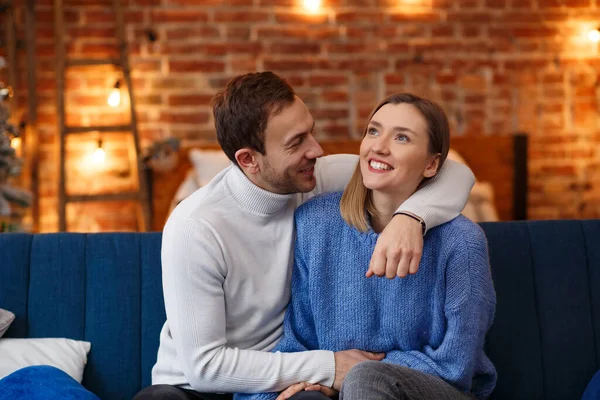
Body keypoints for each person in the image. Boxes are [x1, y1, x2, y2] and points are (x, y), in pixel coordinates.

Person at [133, 73, 475, 400]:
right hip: (195, 387)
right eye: (297, 142)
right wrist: (327, 366)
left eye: (310, 132)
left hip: (288, 373)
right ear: (249, 159)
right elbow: (205, 368)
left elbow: (453, 171)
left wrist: (411, 217)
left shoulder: (314, 178)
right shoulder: (195, 226)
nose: (317, 149)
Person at [236, 93, 496, 400]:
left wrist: (347, 375)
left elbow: (456, 365)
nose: (379, 146)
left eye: (402, 137)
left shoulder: (462, 241)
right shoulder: (315, 224)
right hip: (344, 391)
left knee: (365, 379)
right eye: (373, 131)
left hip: (441, 391)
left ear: (431, 164)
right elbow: (300, 339)